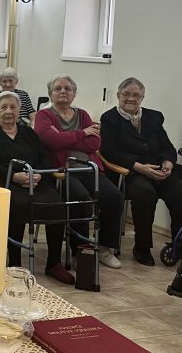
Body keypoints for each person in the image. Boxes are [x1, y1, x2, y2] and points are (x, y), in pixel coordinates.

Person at [0, 91, 75, 285]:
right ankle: (14, 263)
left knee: (58, 207)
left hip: (35, 182)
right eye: (4, 107)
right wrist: (12, 175)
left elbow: (45, 157)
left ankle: (54, 263)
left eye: (13, 107)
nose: (8, 111)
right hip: (6, 184)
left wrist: (39, 174)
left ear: (19, 110)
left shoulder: (28, 133)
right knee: (18, 206)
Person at [34, 75, 123, 268]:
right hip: (63, 171)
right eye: (58, 88)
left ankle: (105, 248)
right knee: (81, 199)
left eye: (67, 88)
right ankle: (79, 252)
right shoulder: (44, 115)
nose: (63, 92)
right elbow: (50, 140)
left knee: (114, 196)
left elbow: (95, 143)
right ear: (50, 94)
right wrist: (82, 133)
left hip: (89, 168)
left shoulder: (82, 114)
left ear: (74, 94)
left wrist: (63, 137)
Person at [100, 77, 182, 266]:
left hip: (158, 169)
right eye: (126, 94)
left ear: (142, 97)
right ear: (118, 95)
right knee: (145, 194)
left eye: (136, 95)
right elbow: (109, 151)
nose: (131, 98)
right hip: (130, 172)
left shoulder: (153, 117)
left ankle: (180, 245)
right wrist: (138, 166)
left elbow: (167, 146)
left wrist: (168, 162)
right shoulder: (109, 119)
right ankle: (142, 247)